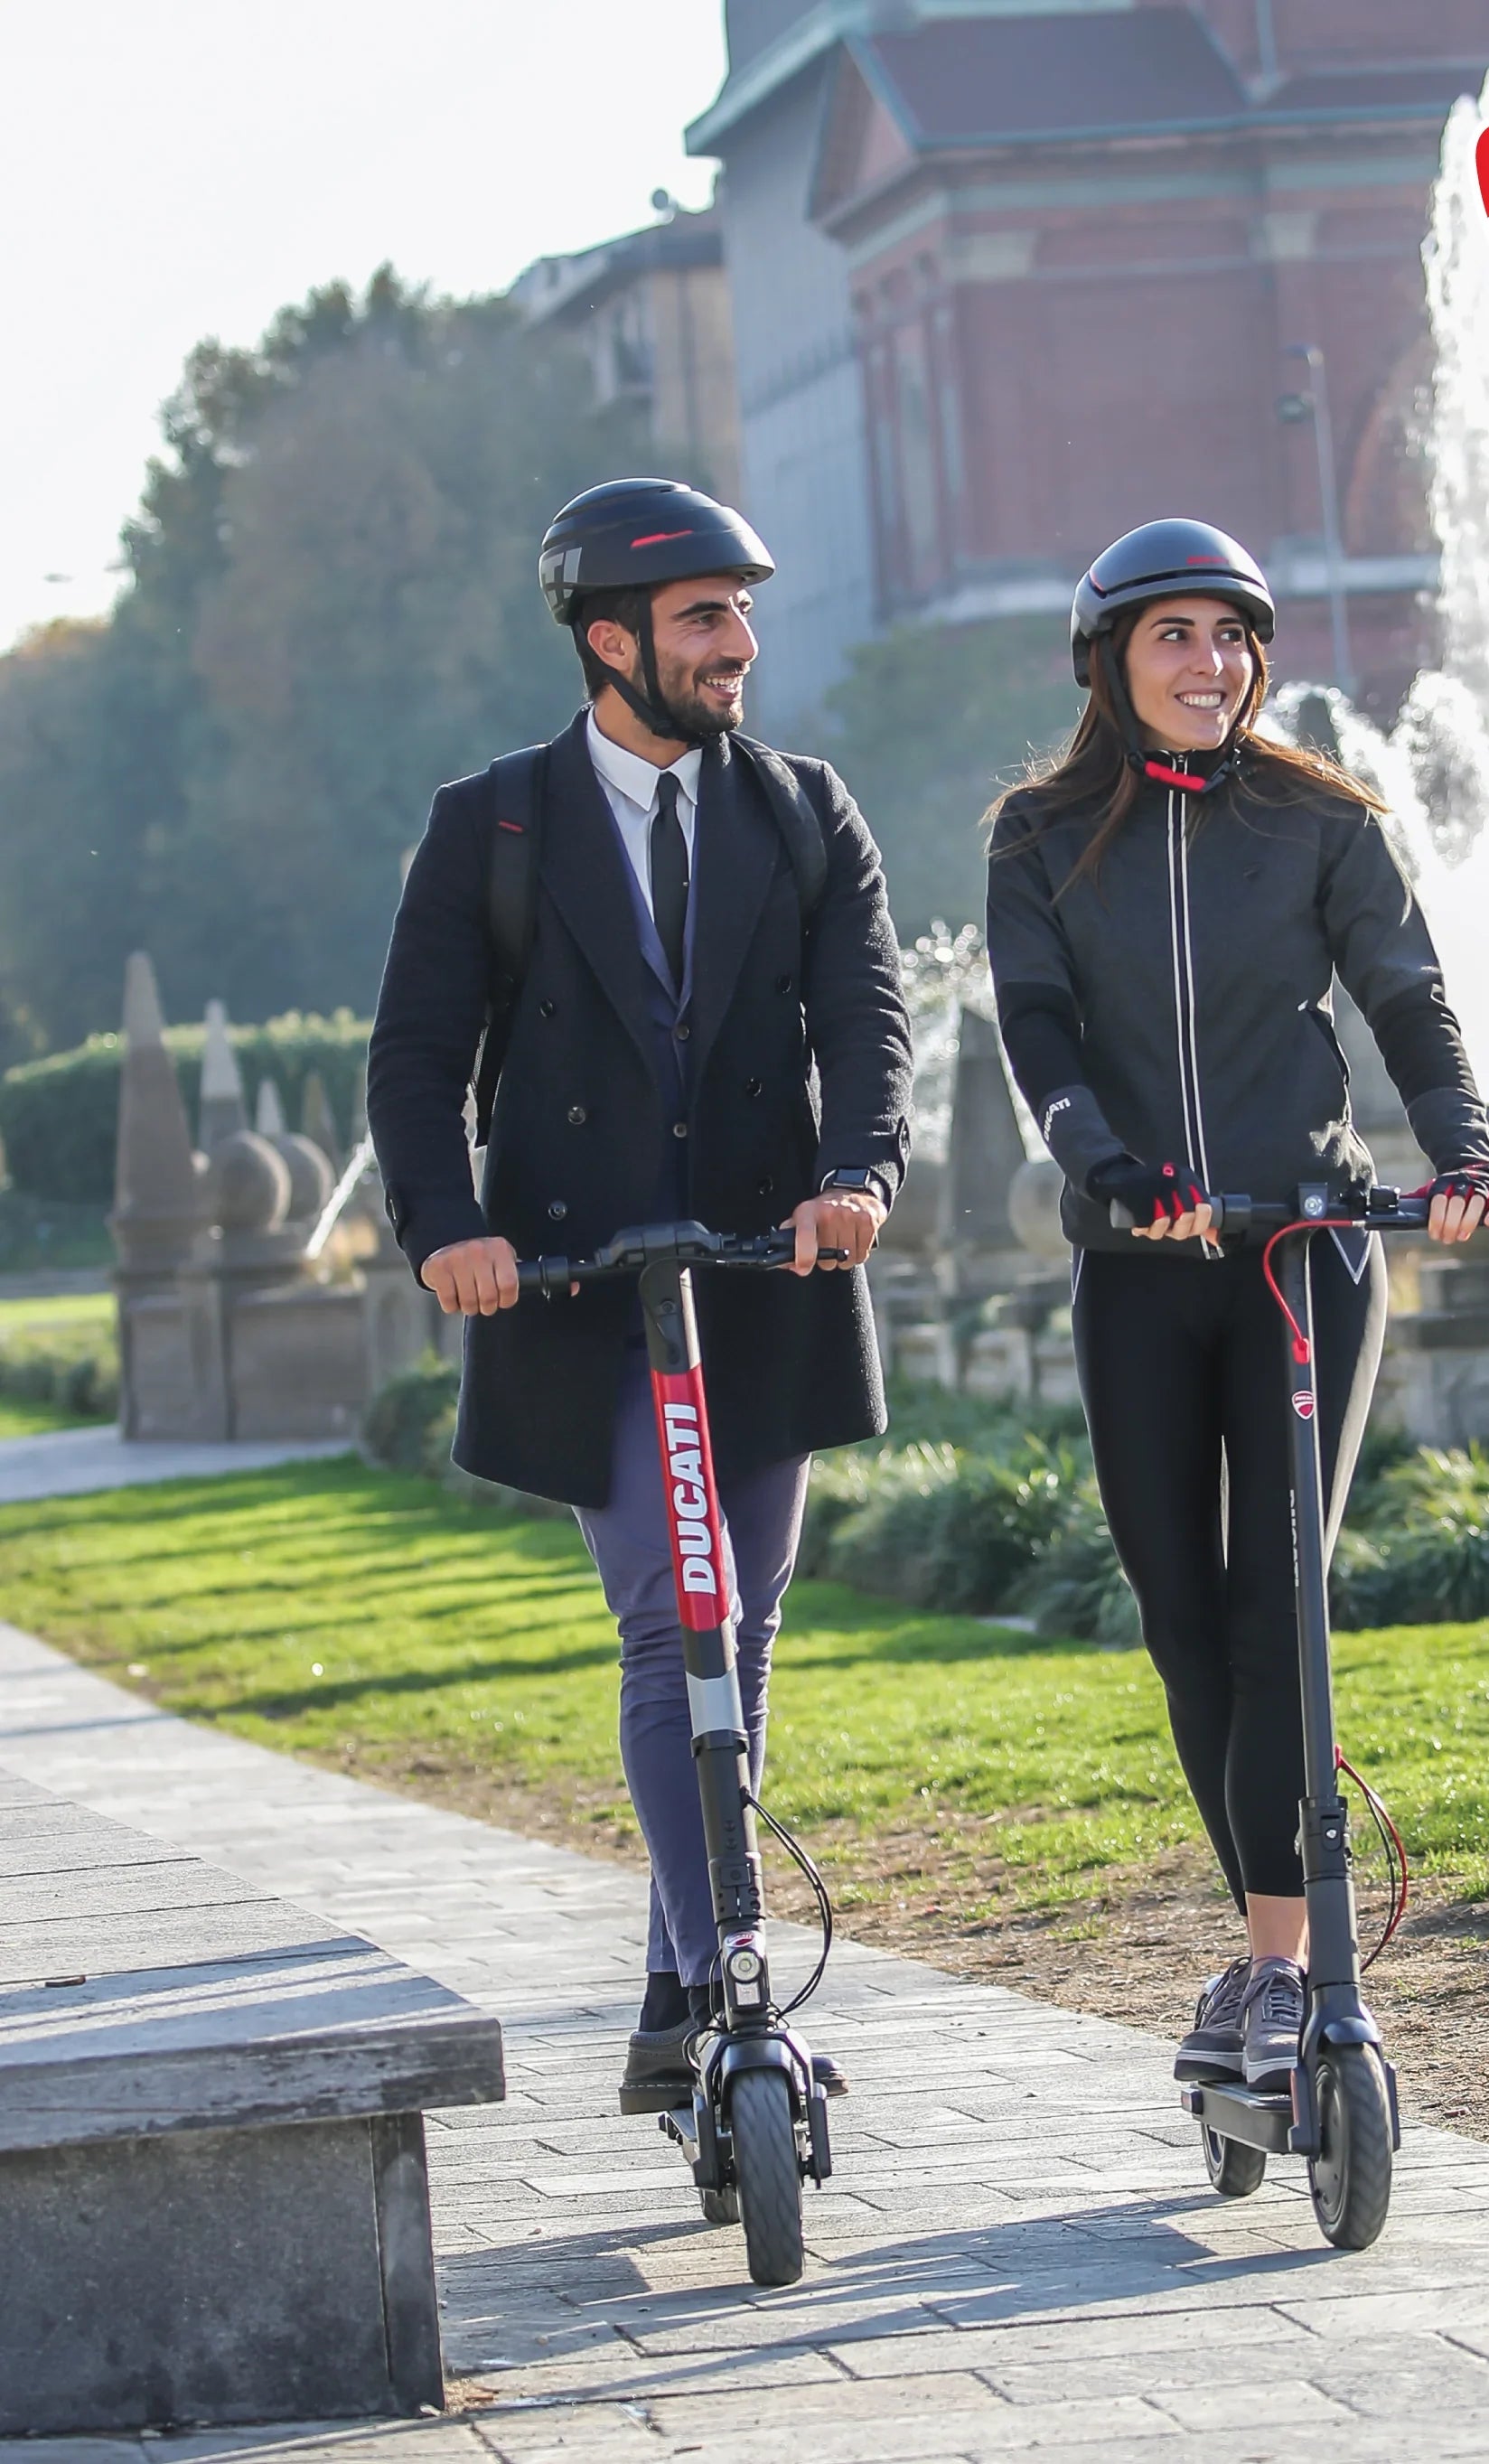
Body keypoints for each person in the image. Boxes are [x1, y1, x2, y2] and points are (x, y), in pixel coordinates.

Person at [367, 478, 911, 2104]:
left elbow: (868, 1021)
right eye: (702, 619)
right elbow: (414, 1058)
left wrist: (860, 1173)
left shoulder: (807, 812)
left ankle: (687, 1979)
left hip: (768, 1269)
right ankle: (729, 1977)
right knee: (669, 1623)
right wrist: (446, 1226)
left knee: (741, 1631)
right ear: (610, 641)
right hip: (580, 1285)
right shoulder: (496, 824)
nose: (739, 644)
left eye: (743, 613)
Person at [984, 519, 1489, 2093]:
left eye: (1231, 636)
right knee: (1182, 1619)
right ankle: (1262, 1951)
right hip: (1141, 1268)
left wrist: (1462, 1144)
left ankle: (1286, 1968)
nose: (1209, 663)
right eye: (1175, 637)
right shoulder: (1039, 831)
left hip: (1301, 1258)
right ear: (1111, 662)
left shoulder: (1321, 819)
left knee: (1283, 1604)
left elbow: (1406, 995)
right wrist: (1108, 1161)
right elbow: (1038, 1028)